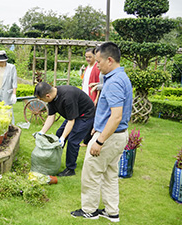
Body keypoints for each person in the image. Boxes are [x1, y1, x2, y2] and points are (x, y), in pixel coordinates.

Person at [70, 42, 132, 222]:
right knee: (110, 175)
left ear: (110, 60)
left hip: (109, 136)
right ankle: (112, 212)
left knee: (91, 173)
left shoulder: (114, 82)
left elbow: (116, 116)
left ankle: (89, 210)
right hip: (119, 135)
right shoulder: (121, 77)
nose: (96, 65)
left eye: (99, 62)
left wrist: (99, 141)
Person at [34, 82, 95, 177]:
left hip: (85, 115)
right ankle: (52, 160)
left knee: (72, 140)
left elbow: (71, 121)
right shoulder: (52, 99)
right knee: (58, 134)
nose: (44, 101)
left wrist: (63, 138)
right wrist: (42, 132)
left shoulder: (67, 97)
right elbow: (51, 117)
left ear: (47, 95)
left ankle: (70, 169)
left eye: (42, 99)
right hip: (75, 115)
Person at [80, 48, 101, 147]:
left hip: (92, 97)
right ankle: (84, 138)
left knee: (90, 118)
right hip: (85, 96)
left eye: (90, 57)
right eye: (86, 57)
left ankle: (87, 140)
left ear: (95, 57)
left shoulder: (97, 67)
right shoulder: (87, 67)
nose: (87, 59)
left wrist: (96, 98)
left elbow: (99, 85)